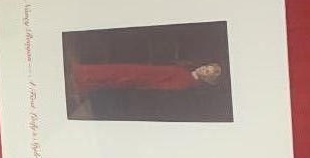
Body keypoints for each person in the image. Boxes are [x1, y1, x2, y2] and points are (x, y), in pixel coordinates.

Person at [70, 61, 223, 93]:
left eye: (207, 72)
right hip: (141, 71)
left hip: (141, 78)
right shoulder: (187, 72)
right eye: (206, 67)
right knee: (113, 70)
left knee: (113, 77)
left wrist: (142, 83)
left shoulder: (186, 82)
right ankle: (82, 73)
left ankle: (82, 78)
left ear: (206, 78)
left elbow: (163, 87)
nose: (204, 69)